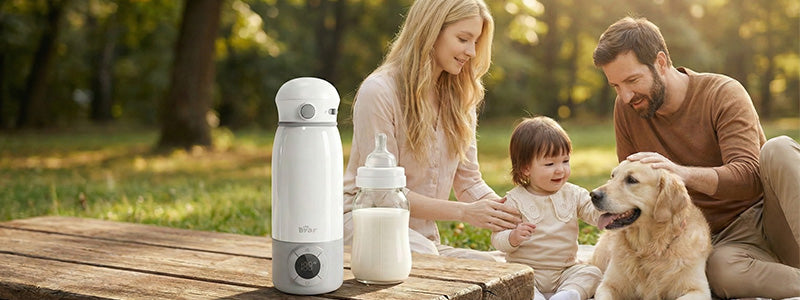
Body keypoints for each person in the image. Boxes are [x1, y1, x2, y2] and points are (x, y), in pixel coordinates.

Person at [593, 16, 800, 298]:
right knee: (721, 274)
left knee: (778, 149)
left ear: (661, 63)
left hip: (770, 219)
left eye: (632, 80)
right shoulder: (627, 109)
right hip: (716, 242)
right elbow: (630, 194)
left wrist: (683, 173)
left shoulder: (722, 93)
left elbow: (750, 177)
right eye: (616, 86)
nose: (626, 96)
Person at [342, 0, 521, 261]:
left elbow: (469, 181)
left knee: (499, 264)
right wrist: (465, 212)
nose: (471, 51)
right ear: (431, 30)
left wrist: (514, 214)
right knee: (425, 256)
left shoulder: (460, 98)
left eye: (476, 42)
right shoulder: (379, 91)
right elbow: (383, 193)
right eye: (463, 39)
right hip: (364, 225)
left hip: (420, 241)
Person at [491, 117, 603, 300]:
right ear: (526, 169)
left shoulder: (573, 194)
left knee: (592, 273)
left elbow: (594, 213)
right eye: (550, 164)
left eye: (565, 161)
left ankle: (567, 295)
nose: (560, 170)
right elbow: (497, 239)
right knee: (511, 281)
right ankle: (534, 296)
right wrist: (513, 236)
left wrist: (606, 209)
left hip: (565, 270)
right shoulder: (514, 200)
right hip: (526, 271)